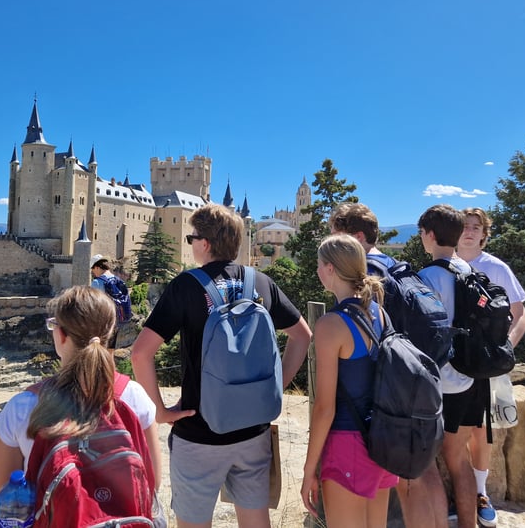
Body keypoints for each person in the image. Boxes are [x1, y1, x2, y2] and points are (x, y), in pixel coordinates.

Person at [131, 203, 312, 528]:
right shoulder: (261, 282)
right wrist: (276, 386)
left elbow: (140, 353)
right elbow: (302, 336)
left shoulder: (185, 286)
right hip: (253, 430)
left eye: (191, 238)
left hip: (199, 433)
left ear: (205, 243)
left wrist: (160, 412)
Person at [0, 286, 162, 520]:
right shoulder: (135, 397)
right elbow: (152, 484)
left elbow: (1, 504)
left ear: (61, 335)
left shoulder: (23, 408)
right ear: (109, 333)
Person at [330, 201, 448, 528]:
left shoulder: (368, 273)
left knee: (410, 482)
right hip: (421, 378)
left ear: (355, 236)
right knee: (424, 473)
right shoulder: (396, 265)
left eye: (337, 239)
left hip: (392, 393)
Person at [301, 234, 398, 527]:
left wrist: (308, 471)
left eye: (319, 265)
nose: (318, 271)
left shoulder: (330, 325)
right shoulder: (379, 313)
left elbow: (324, 408)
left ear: (330, 269)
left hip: (347, 445)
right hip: (381, 441)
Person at [456, 207, 525, 527]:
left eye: (477, 227)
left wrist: (505, 350)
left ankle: (481, 493)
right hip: (452, 361)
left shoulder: (496, 267)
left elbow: (521, 314)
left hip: (485, 364)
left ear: (485, 233)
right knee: (453, 427)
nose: (471, 232)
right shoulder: (445, 264)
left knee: (480, 429)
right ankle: (460, 494)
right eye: (465, 226)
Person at [418, 204, 486, 528]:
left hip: (438, 383)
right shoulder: (471, 272)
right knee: (459, 460)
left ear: (430, 235)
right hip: (471, 377)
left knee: (428, 462)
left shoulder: (425, 278)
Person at [90, 254, 132, 347]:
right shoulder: (117, 280)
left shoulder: (97, 282)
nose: (93, 272)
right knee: (111, 349)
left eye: (92, 269)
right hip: (117, 320)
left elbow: (94, 305)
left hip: (104, 322)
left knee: (100, 348)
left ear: (97, 267)